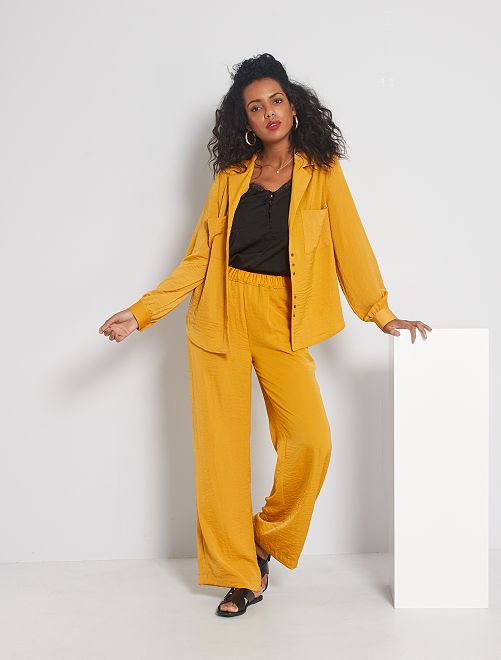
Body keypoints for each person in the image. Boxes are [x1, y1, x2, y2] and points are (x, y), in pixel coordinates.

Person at [98, 53, 432, 617]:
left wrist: (381, 313)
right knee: (222, 456)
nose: (268, 112)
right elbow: (199, 258)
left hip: (284, 316)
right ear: (244, 120)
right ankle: (240, 575)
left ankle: (263, 539)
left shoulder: (322, 171)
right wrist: (141, 313)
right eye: (255, 107)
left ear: (294, 107)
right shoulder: (231, 178)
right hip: (220, 313)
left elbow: (351, 243)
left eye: (276, 100)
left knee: (311, 441)